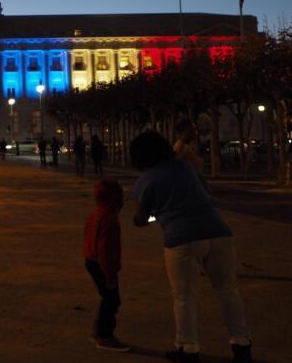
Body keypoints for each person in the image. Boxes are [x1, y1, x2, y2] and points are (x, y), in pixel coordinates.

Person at [130, 131, 251, 363]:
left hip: (181, 239)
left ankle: (188, 347)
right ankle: (241, 344)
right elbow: (206, 195)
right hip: (218, 231)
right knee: (228, 290)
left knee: (184, 296)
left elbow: (141, 219)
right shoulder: (186, 168)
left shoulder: (146, 180)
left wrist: (160, 215)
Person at [83, 179, 130, 352]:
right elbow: (106, 252)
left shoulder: (96, 214)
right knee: (111, 300)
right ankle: (105, 336)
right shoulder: (110, 220)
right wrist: (110, 276)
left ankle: (98, 332)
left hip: (91, 260)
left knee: (107, 298)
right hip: (101, 264)